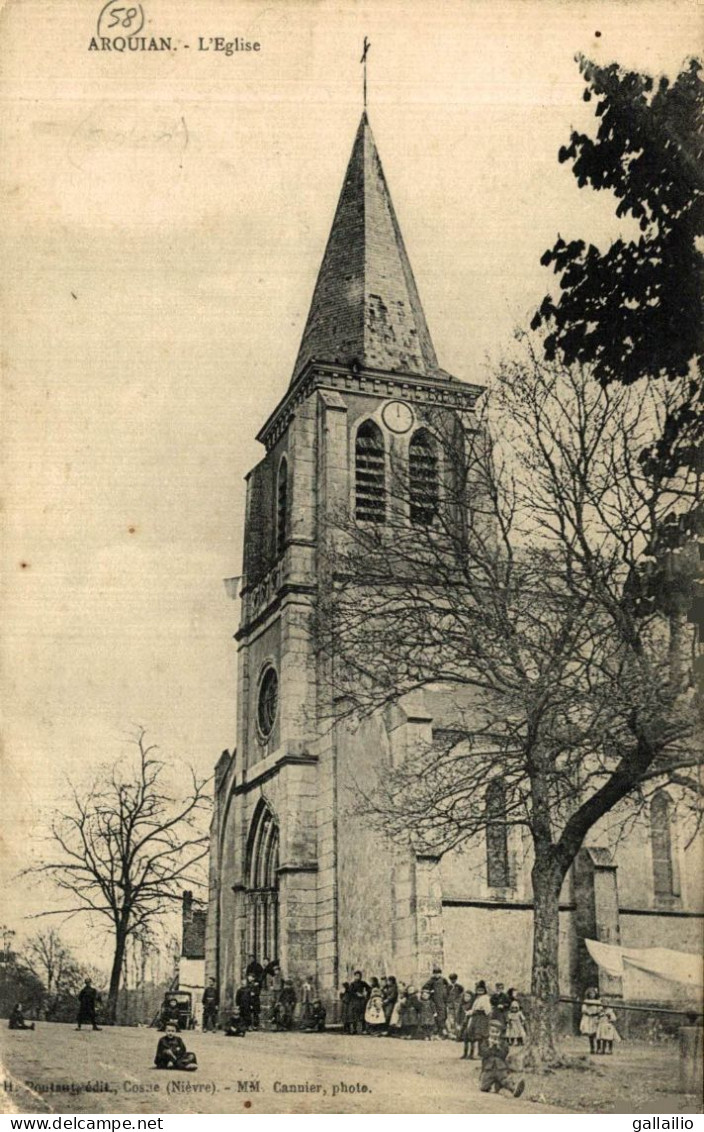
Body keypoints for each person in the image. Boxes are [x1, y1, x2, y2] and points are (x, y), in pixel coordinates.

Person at [478, 1019, 525, 1098]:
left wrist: (498, 1047)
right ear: (488, 1032)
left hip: (500, 1068)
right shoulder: (485, 1042)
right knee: (483, 1087)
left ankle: (514, 1089)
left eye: (497, 1032)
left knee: (504, 1080)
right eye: (492, 1032)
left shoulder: (503, 1043)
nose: (494, 1034)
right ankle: (495, 1085)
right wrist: (490, 1047)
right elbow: (483, 1053)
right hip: (488, 1069)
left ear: (500, 1033)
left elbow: (503, 1054)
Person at [465, 981, 492, 1058]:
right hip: (476, 1018)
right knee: (475, 1036)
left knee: (481, 1036)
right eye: (478, 990)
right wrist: (471, 1012)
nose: (480, 992)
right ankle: (473, 1053)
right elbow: (474, 1009)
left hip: (481, 1018)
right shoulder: (477, 999)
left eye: (481, 990)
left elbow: (487, 1010)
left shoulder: (486, 998)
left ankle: (482, 1053)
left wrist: (484, 1014)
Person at [424, 966, 449, 1036]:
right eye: (435, 973)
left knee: (443, 1016)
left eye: (438, 973)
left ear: (440, 973)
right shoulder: (431, 980)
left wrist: (445, 994)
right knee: (436, 1016)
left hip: (442, 1001)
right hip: (434, 1000)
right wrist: (430, 991)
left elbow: (448, 987)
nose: (437, 975)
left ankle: (443, 1032)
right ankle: (437, 1032)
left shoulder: (444, 980)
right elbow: (425, 988)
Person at [579, 986, 601, 1054]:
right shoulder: (586, 1001)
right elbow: (584, 1009)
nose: (592, 995)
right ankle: (592, 1048)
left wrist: (597, 1012)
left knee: (597, 1033)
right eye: (590, 994)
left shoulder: (598, 1001)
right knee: (590, 1034)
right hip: (589, 1018)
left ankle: (599, 1048)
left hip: (595, 1018)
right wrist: (588, 1012)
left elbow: (600, 1008)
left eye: (593, 994)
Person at [348, 970, 370, 1035]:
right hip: (355, 1001)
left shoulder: (363, 983)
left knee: (362, 1015)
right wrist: (356, 994)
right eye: (357, 976)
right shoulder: (352, 984)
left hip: (362, 1001)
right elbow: (350, 992)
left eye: (360, 976)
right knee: (354, 1015)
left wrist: (366, 993)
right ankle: (354, 1029)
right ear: (354, 976)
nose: (358, 977)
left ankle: (363, 1029)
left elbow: (369, 988)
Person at [457, 990, 476, 1057]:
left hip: (470, 1023)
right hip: (463, 1024)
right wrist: (458, 1023)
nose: (466, 998)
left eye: (468, 996)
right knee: (465, 1039)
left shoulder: (473, 1005)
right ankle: (465, 1053)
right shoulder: (461, 1005)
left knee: (472, 1039)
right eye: (465, 996)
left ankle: (471, 1054)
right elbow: (458, 1014)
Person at [446, 974, 464, 1039]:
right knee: (451, 1019)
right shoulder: (448, 987)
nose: (453, 981)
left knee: (457, 1019)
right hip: (450, 1005)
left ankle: (457, 1034)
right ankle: (451, 1034)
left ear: (456, 979)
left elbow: (461, 995)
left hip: (457, 1005)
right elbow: (446, 995)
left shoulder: (459, 987)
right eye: (451, 979)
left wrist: (458, 1001)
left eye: (454, 979)